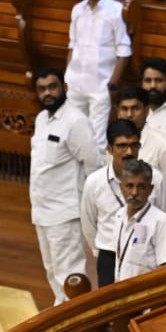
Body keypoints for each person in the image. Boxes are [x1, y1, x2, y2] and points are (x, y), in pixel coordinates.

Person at [30, 67, 101, 306]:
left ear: (64, 87)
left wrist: (93, 208)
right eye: (42, 89)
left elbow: (93, 165)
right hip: (41, 212)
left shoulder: (76, 121)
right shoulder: (41, 119)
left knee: (69, 275)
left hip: (65, 213)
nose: (47, 93)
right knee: (52, 271)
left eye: (52, 87)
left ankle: (73, 326)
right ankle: (62, 319)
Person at [81, 119, 166, 287]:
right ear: (109, 148)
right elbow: (89, 224)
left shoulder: (156, 179)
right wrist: (100, 250)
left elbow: (163, 214)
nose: (129, 152)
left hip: (145, 257)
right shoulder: (94, 182)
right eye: (122, 146)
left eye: (134, 145)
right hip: (109, 256)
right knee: (111, 310)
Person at [65, 0, 131, 148]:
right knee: (71, 135)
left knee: (96, 142)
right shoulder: (77, 10)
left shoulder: (115, 10)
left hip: (100, 87)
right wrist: (67, 77)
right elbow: (72, 45)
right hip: (75, 86)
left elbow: (124, 50)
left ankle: (94, 172)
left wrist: (112, 85)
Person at [115, 158, 166, 281]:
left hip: (146, 295)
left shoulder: (161, 221)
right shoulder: (119, 216)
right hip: (121, 292)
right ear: (121, 188)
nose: (134, 192)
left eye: (141, 187)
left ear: (150, 189)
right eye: (129, 186)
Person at [115, 86, 166, 191]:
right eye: (124, 109)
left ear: (146, 111)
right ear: (117, 111)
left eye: (135, 109)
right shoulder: (113, 141)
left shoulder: (162, 145)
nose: (129, 115)